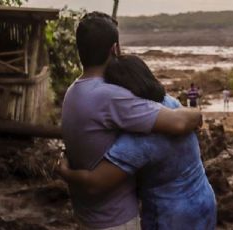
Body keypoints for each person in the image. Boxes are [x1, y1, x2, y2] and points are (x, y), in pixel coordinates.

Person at [61, 12, 202, 229]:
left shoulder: (73, 92)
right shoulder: (109, 96)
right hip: (117, 220)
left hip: (86, 216)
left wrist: (65, 171)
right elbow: (179, 123)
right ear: (114, 49)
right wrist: (197, 114)